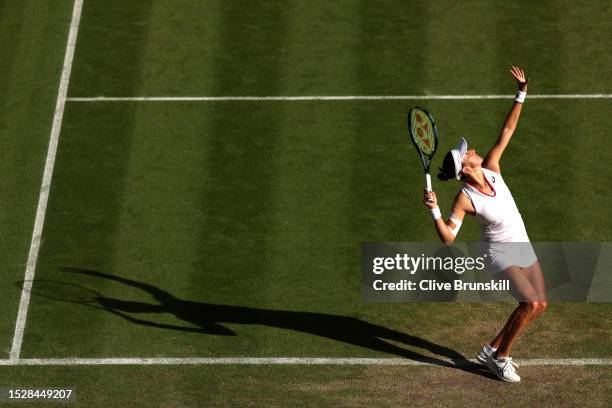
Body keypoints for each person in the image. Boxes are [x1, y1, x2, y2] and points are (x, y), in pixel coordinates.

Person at [423, 66, 546, 382]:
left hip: (522, 243)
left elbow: (507, 130)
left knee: (540, 304)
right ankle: (501, 357)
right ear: (464, 170)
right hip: (500, 255)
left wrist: (521, 93)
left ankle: (490, 350)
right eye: (467, 154)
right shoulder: (464, 199)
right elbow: (449, 237)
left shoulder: (492, 167)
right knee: (529, 302)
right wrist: (436, 210)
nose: (473, 150)